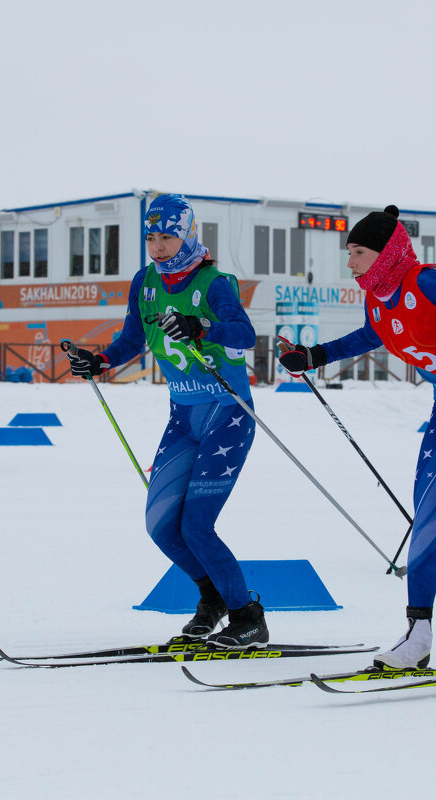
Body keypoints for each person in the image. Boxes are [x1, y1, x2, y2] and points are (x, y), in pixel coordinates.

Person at [277, 205, 436, 669]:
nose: (350, 262)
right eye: (349, 252)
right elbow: (368, 336)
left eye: (358, 252)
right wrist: (313, 355)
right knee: (427, 520)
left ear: (385, 253)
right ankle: (418, 635)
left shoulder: (426, 282)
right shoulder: (378, 298)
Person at [65, 194, 266, 649]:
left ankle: (247, 616)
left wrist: (202, 327)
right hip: (182, 415)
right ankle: (212, 597)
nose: (158, 246)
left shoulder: (214, 282)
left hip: (227, 413)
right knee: (160, 524)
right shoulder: (146, 281)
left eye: (168, 236)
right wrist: (98, 361)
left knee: (196, 524)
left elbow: (245, 334)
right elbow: (131, 339)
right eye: (151, 237)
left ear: (188, 234)